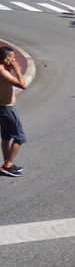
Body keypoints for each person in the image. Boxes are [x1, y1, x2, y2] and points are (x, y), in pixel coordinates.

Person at [0, 46, 28, 177]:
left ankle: (7, 163)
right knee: (19, 138)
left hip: (2, 108)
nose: (15, 60)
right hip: (7, 109)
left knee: (6, 137)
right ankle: (8, 166)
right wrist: (17, 70)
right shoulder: (2, 72)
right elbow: (23, 85)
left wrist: (10, 67)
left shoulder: (3, 70)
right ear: (6, 59)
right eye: (12, 57)